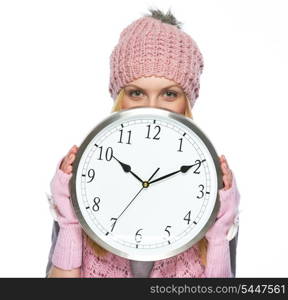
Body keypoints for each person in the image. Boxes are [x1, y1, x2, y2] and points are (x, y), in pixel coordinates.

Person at [46, 8, 240, 278]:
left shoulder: (211, 186)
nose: (152, 108)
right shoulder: (83, 178)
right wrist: (69, 221)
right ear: (119, 98)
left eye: (169, 94)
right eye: (137, 93)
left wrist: (219, 236)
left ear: (187, 101)